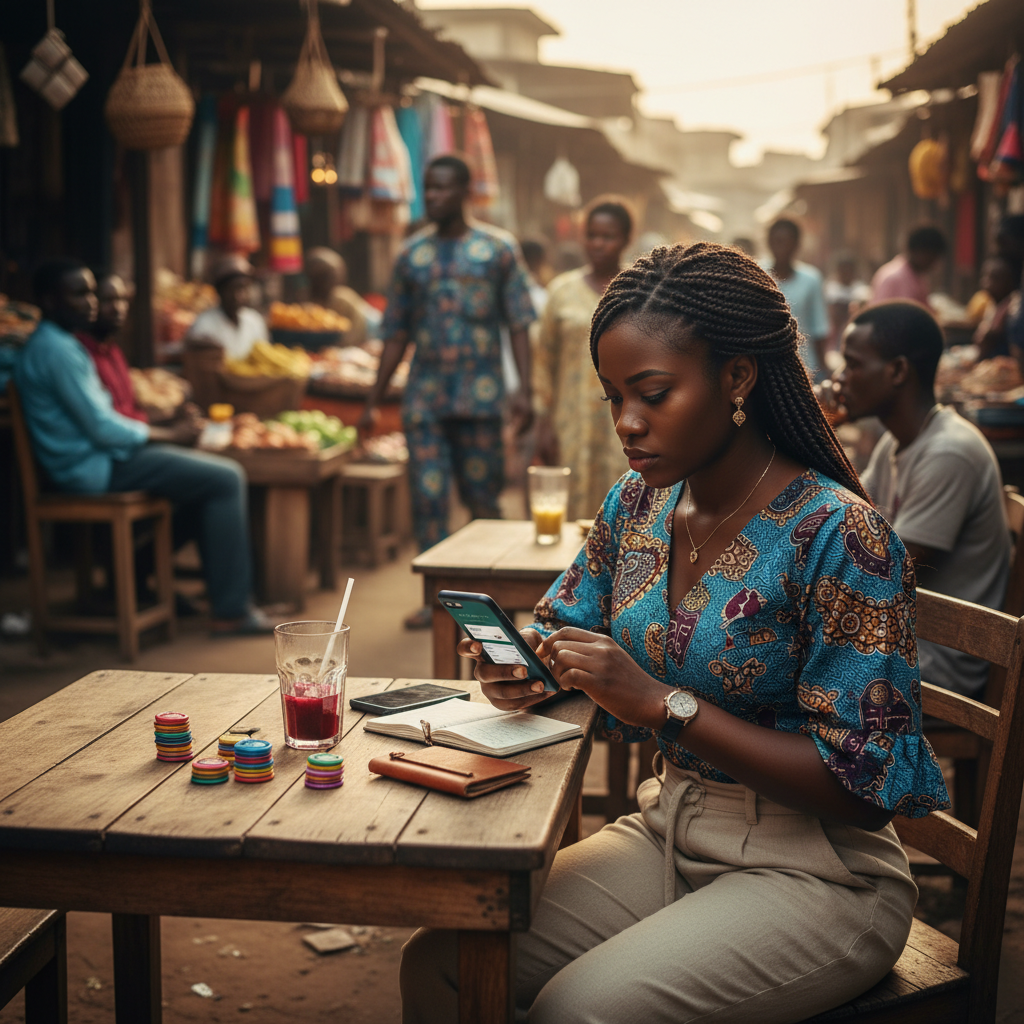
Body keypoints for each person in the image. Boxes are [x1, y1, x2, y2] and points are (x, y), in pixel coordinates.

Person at [401, 243, 949, 1023]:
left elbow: (863, 795)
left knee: (577, 1010)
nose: (628, 422)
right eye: (612, 396)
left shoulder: (840, 535)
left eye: (653, 393)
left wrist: (662, 705)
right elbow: (567, 623)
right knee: (441, 964)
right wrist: (531, 664)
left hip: (822, 872)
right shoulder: (640, 504)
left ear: (737, 378)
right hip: (671, 828)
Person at [16, 259, 271, 635]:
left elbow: (107, 419)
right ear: (48, 301)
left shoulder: (59, 345)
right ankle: (231, 609)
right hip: (94, 468)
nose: (90, 303)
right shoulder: (58, 351)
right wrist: (170, 436)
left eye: (91, 293)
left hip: (102, 459)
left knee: (206, 480)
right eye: (79, 294)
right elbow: (103, 428)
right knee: (226, 477)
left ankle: (141, 580)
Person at [358, 155, 536, 629]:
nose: (431, 196)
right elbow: (395, 332)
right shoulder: (410, 255)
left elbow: (519, 323)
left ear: (464, 191)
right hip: (426, 399)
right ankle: (436, 601)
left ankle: (493, 595)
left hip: (481, 398)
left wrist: (526, 391)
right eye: (427, 188)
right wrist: (374, 399)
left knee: (484, 499)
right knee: (428, 496)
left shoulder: (498, 249)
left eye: (440, 188)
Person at [833, 300, 1009, 697]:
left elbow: (880, 572)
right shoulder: (896, 444)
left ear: (897, 371)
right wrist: (824, 426)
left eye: (854, 364)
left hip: (936, 662)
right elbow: (842, 522)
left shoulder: (949, 452)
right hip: (901, 640)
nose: (841, 379)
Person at [533, 197, 633, 521]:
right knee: (569, 513)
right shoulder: (561, 292)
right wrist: (543, 420)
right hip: (569, 422)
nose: (598, 243)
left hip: (622, 422)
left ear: (625, 239)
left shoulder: (640, 292)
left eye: (608, 236)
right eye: (592, 235)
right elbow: (543, 361)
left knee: (624, 506)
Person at [760, 218, 829, 380]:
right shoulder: (757, 274)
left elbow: (818, 328)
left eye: (786, 242)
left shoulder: (811, 279)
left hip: (803, 366)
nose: (781, 247)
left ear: (797, 244)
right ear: (769, 242)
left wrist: (823, 369)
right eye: (777, 241)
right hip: (765, 364)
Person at [75, 273, 148, 422]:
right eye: (108, 300)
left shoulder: (112, 350)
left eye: (122, 299)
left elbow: (130, 409)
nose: (118, 308)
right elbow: (106, 422)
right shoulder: (82, 353)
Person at [186, 255, 267, 360]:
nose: (237, 297)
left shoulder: (255, 321)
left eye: (242, 289)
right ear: (220, 291)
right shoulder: (204, 324)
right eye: (231, 290)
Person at [305, 247, 379, 347]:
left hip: (374, 334)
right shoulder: (316, 299)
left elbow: (357, 330)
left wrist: (339, 347)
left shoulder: (339, 296)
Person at [870, 226, 946, 308]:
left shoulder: (917, 277)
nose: (934, 263)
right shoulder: (896, 278)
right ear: (918, 251)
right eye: (931, 256)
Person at [973, 254, 1022, 359]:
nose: (986, 283)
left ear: (1008, 282)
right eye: (985, 276)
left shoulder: (1013, 309)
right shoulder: (994, 305)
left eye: (994, 278)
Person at [824, 252, 871, 353]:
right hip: (832, 332)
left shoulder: (862, 290)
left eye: (848, 270)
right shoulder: (830, 289)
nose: (845, 273)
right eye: (843, 270)